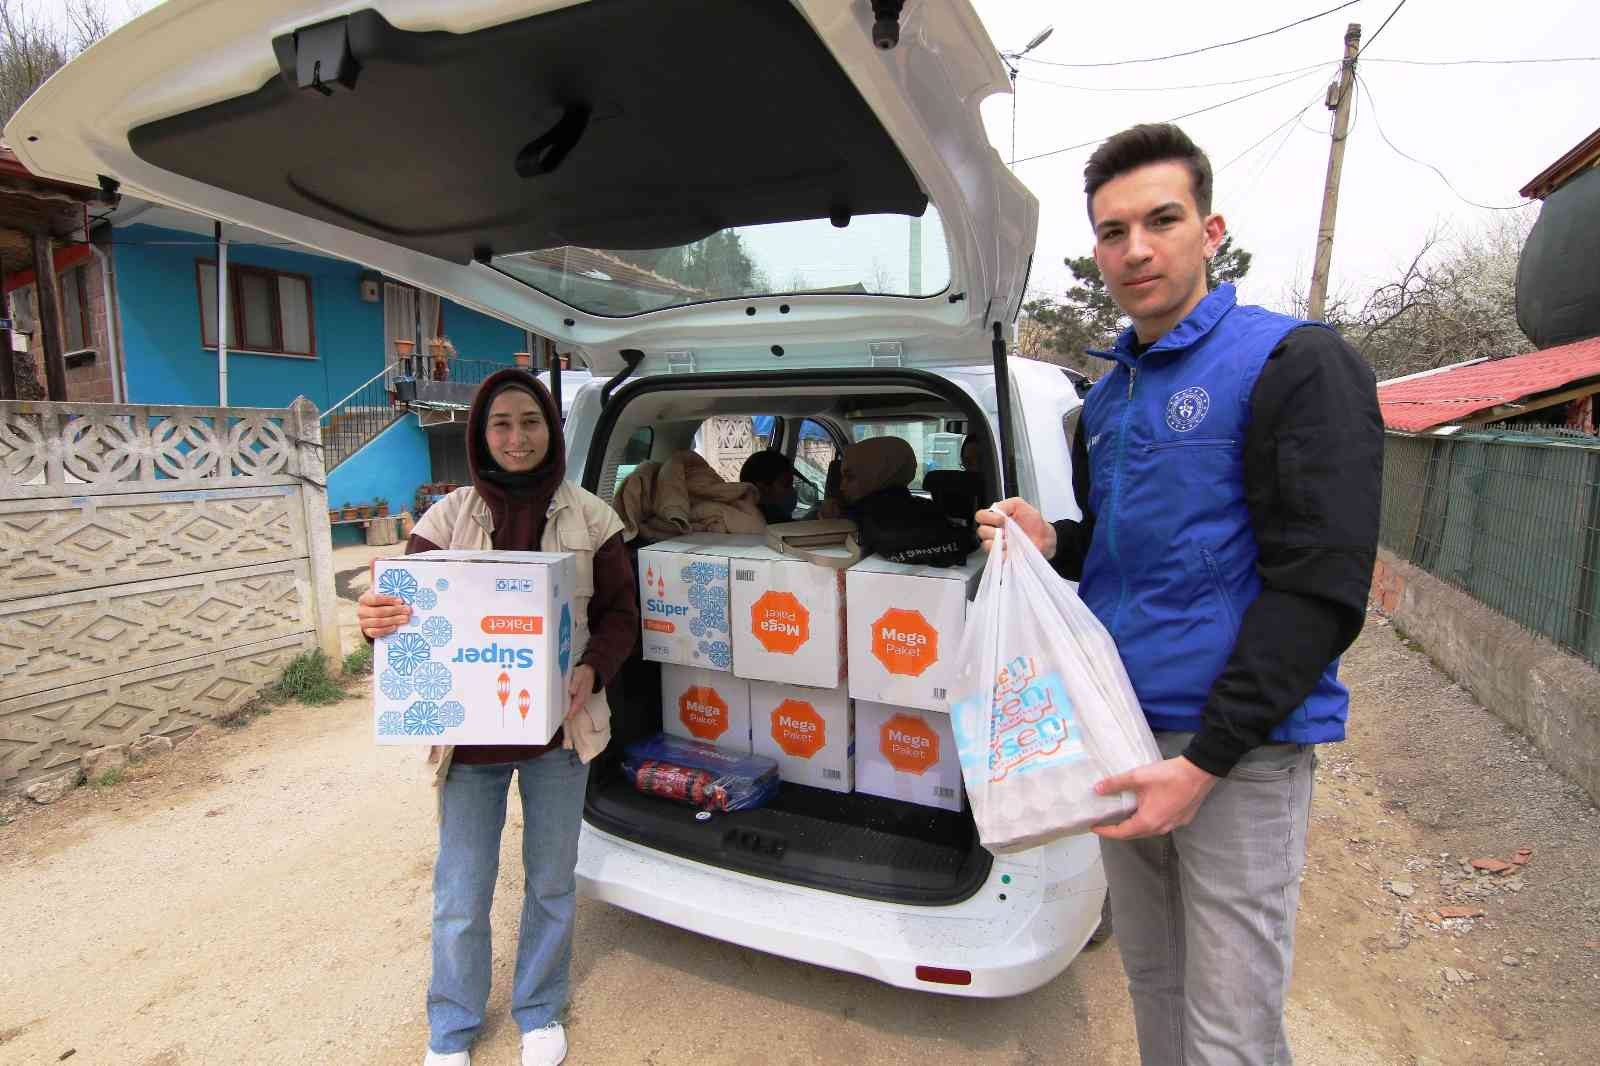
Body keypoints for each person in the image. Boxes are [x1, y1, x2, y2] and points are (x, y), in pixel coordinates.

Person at [977, 123, 1382, 1065]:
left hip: (1234, 756)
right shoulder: (1108, 399)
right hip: (1118, 736)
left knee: (1230, 1027)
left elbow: (1320, 590)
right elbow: (1122, 560)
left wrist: (1205, 763)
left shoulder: (1295, 364)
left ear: (1211, 230)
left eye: (1162, 220)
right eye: (1112, 232)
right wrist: (1055, 543)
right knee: (1153, 983)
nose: (1136, 249)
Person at [357, 369, 638, 1066]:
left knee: (549, 881)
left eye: (531, 421)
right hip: (470, 742)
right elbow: (402, 613)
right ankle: (451, 1028)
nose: (517, 437)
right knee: (461, 891)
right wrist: (374, 621)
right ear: (481, 434)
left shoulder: (593, 517)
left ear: (551, 430)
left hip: (559, 736)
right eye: (502, 424)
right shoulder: (446, 518)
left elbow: (621, 617)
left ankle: (539, 1011)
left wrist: (590, 669)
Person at [839, 436, 974, 566]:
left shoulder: (885, 522)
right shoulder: (926, 509)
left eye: (850, 477)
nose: (841, 486)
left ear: (876, 476)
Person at [739, 448, 798, 525]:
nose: (792, 490)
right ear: (762, 489)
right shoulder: (769, 527)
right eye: (786, 485)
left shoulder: (740, 520)